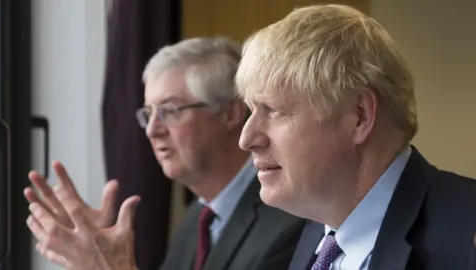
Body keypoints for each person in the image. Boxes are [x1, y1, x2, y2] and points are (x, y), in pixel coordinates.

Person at [24, 37, 305, 270]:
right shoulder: (197, 220)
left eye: (170, 110)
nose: (152, 130)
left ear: (231, 113)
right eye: (148, 114)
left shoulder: (290, 217)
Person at [234, 4, 476, 270]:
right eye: (252, 110)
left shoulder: (466, 237)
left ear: (359, 114)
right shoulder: (315, 233)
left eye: (274, 110)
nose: (246, 139)